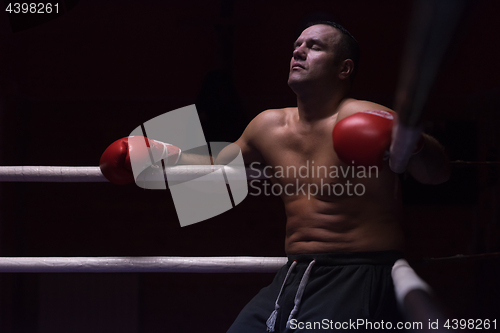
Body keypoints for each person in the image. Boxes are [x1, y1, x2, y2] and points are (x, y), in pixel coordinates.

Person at [100, 20, 450, 333]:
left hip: (358, 272)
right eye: (297, 45)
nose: (299, 51)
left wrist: (415, 143)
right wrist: (161, 155)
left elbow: (437, 175)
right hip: (294, 272)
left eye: (314, 46)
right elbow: (216, 168)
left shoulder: (364, 114)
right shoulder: (268, 125)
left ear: (344, 68)